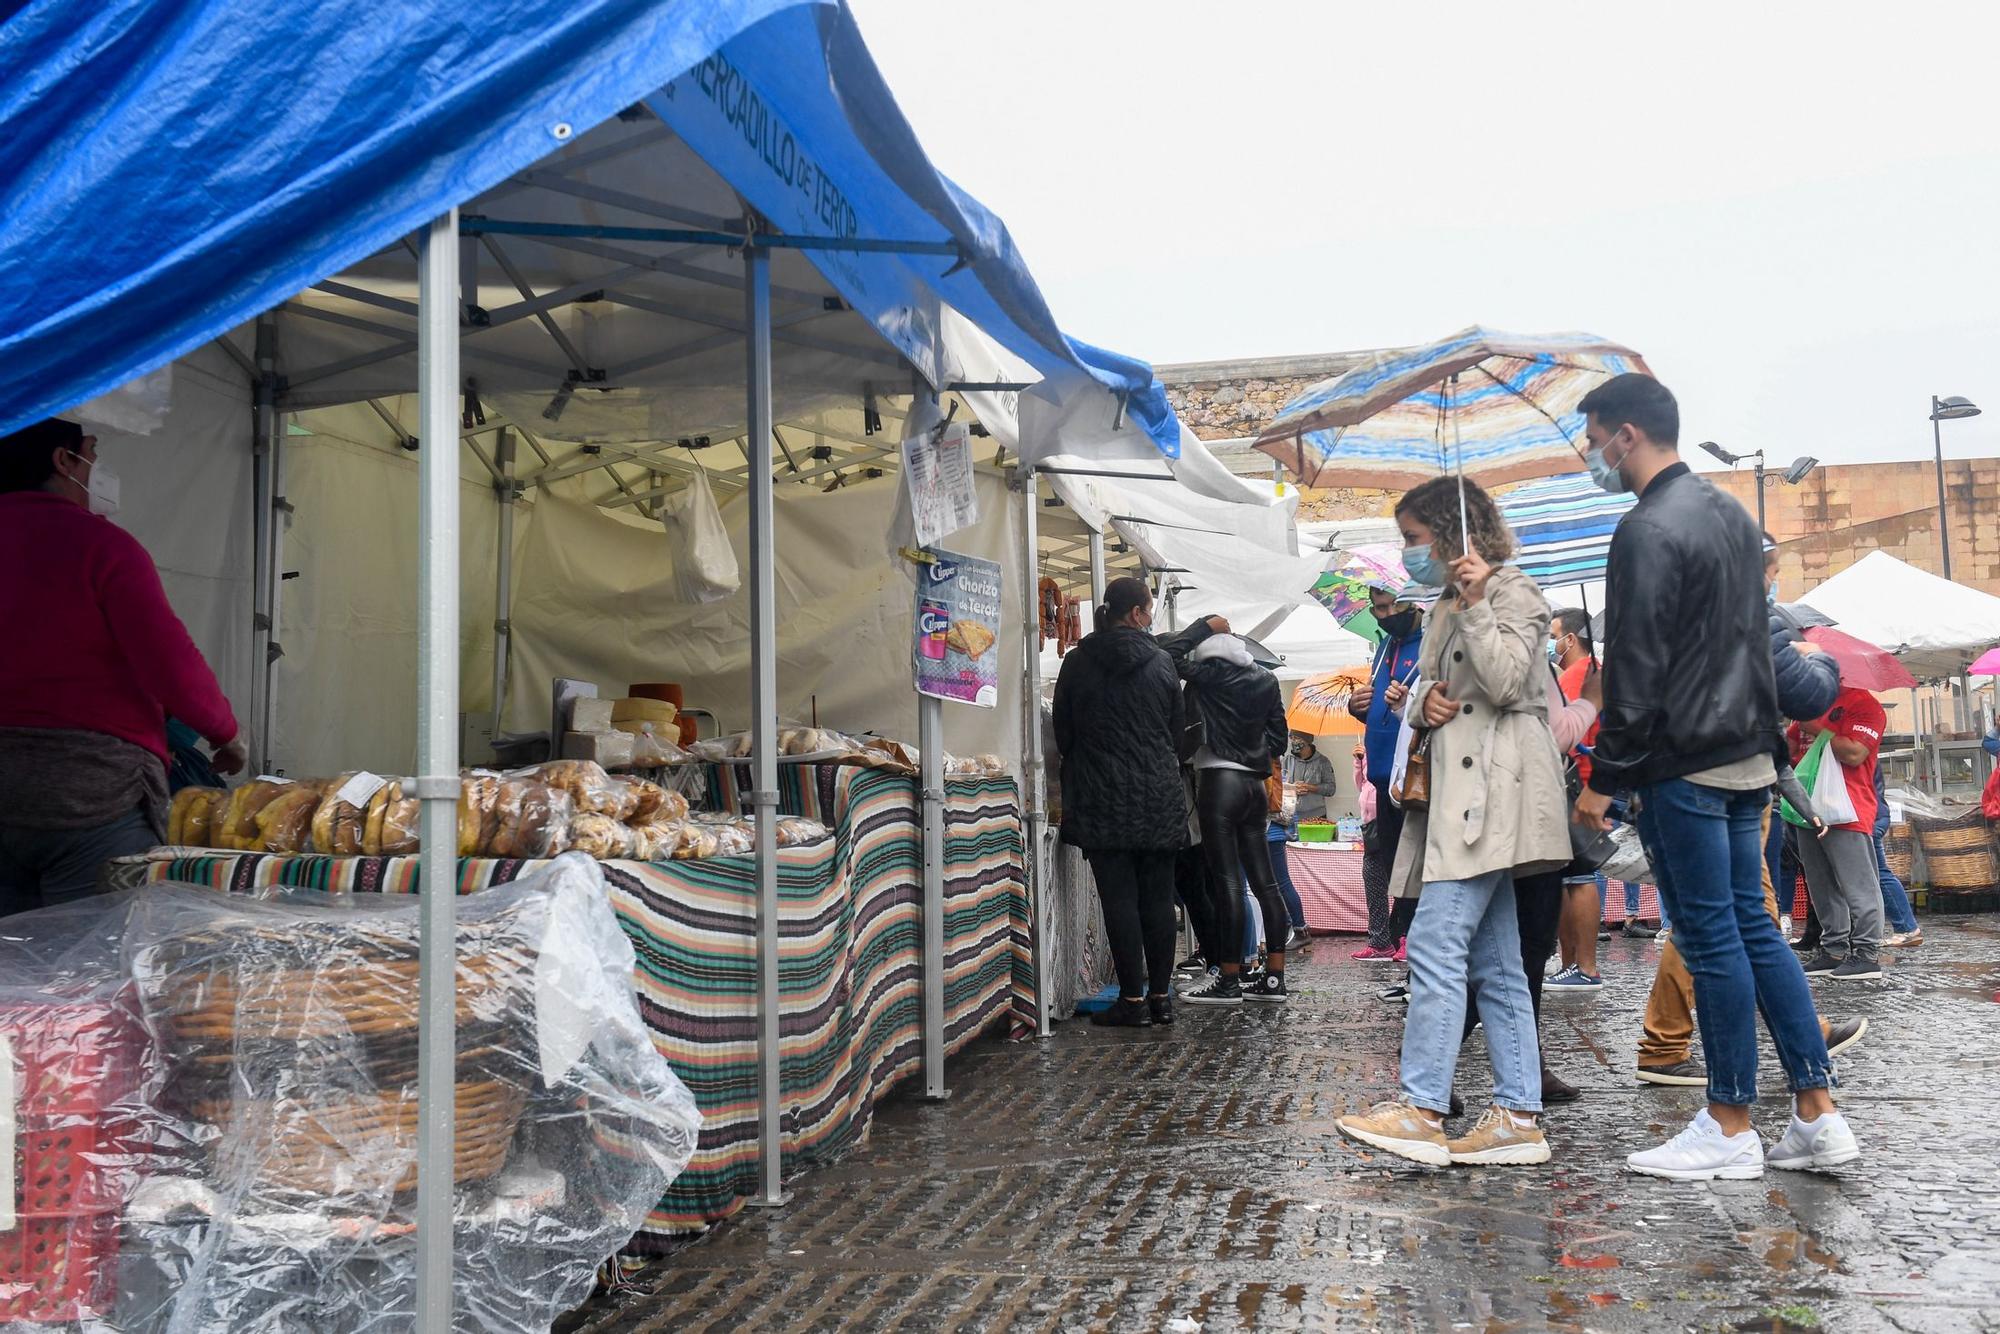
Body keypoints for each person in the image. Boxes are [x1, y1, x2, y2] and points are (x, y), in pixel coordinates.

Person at [1573, 374, 1858, 1179]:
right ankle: (1816, 1112)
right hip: (1747, 759)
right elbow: (1756, 644)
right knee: (1754, 929)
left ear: (1626, 435)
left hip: (1683, 764)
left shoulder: (1645, 530)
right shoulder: (1733, 516)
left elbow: (1636, 666)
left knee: (1709, 938)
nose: (1593, 457)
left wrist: (1604, 775)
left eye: (1594, 442)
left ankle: (1730, 1123)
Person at [1335, 475, 1570, 1167]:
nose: (1409, 553)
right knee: (1495, 964)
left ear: (1449, 534)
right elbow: (1429, 693)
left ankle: (1423, 1107)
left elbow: (1504, 682)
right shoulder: (1439, 604)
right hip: (1455, 798)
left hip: (1496, 795)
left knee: (1436, 946)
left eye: (1414, 538)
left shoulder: (1514, 592)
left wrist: (1474, 602)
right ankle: (1518, 1115)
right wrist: (1423, 703)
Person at [1633, 533, 1866, 1086]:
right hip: (1727, 789)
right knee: (1726, 921)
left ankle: (1800, 1035)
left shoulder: (1669, 618)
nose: (1772, 581)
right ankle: (1686, 1054)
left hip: (1704, 785)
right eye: (1771, 570)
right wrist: (1821, 660)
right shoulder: (1749, 622)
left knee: (1735, 920)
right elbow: (1806, 697)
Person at [0, 419, 246, 915]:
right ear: (64, 460)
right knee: (92, 963)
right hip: (89, 795)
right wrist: (224, 733)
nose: (97, 467)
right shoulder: (102, 546)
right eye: (92, 452)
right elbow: (168, 661)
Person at [1052, 577, 1189, 1027]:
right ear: (1136, 614)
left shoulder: (1076, 663)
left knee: (1120, 903)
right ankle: (1161, 999)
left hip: (1102, 797)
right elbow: (1176, 734)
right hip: (1158, 797)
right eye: (1149, 610)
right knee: (1157, 901)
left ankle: (1131, 1001)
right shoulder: (1163, 664)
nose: (1150, 618)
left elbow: (1064, 735)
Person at [1161, 616, 1291, 1005]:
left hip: (1219, 783)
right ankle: (1273, 978)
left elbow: (1166, 653)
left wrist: (1202, 627)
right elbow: (1280, 740)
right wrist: (1251, 745)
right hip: (1255, 785)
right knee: (1266, 884)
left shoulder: (1206, 676)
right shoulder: (1266, 681)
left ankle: (1229, 979)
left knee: (1228, 883)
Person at [1347, 585, 1425, 964]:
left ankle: (1414, 936)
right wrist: (1358, 705)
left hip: (1413, 780)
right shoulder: (1384, 649)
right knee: (1394, 862)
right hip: (1382, 778)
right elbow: (1378, 703)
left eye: (1395, 605)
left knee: (1415, 864)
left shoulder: (1429, 644)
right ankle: (1397, 937)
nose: (1387, 613)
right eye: (1380, 608)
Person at [1789, 686, 1888, 980]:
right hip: (1808, 807)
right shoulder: (1808, 701)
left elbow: (1856, 753)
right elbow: (1792, 752)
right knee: (1820, 883)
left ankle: (1867, 953)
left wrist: (1816, 728)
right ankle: (1833, 949)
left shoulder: (1863, 704)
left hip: (1848, 806)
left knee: (1858, 884)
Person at [1271, 729, 1334, 950]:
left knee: (1279, 881)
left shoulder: (1322, 762)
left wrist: (1311, 788)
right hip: (1289, 820)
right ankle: (1289, 926)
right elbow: (1282, 785)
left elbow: (1331, 788)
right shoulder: (1285, 760)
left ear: (1307, 741)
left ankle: (1297, 926)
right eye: (1291, 738)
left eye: (1297, 739)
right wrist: (1291, 787)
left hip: (1310, 819)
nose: (1293, 742)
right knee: (1276, 882)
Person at [1873, 767, 1921, 947]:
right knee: (1879, 873)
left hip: (1871, 818)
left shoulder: (1857, 750)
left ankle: (1907, 928)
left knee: (1880, 873)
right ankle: (1906, 927)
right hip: (1874, 816)